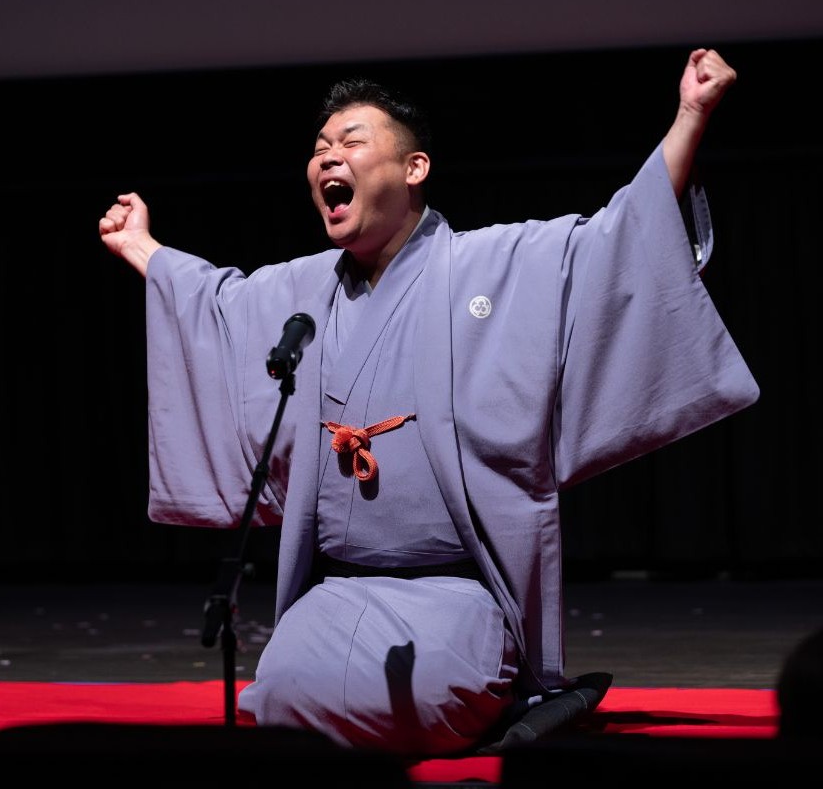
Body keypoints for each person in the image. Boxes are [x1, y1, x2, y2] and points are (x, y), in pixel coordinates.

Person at [98, 47, 759, 757]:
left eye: (351, 142)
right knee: (282, 701)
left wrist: (690, 114)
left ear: (413, 169)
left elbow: (615, 242)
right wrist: (144, 250)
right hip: (337, 591)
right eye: (319, 147)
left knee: (418, 698)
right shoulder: (300, 290)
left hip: (456, 592)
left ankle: (513, 691)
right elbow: (218, 306)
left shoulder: (493, 264)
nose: (327, 158)